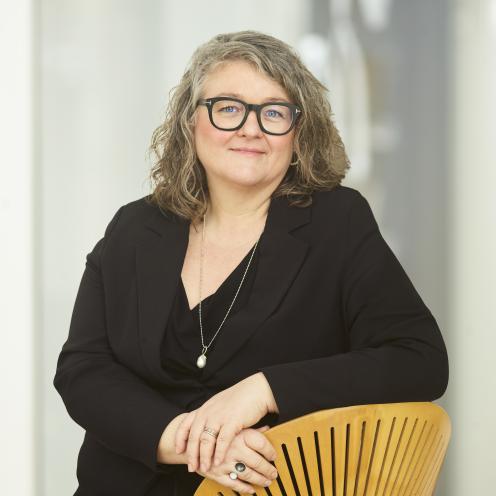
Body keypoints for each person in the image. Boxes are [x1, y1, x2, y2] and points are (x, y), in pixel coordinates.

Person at [53, 30, 449, 495]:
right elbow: (83, 367)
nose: (250, 128)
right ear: (190, 122)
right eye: (228, 108)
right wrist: (189, 442)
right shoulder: (136, 227)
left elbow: (419, 360)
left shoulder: (337, 223)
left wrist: (264, 389)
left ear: (298, 133)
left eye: (274, 112)